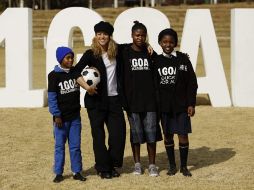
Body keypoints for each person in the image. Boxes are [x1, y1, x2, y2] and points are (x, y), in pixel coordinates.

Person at [74, 21, 126, 179]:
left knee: (118, 135)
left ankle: (111, 164)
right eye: (99, 34)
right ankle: (103, 168)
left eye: (105, 34)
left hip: (115, 101)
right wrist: (87, 87)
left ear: (110, 36)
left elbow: (136, 46)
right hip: (95, 101)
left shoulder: (118, 51)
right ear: (95, 36)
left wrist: (149, 45)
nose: (102, 37)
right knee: (99, 136)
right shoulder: (91, 54)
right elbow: (75, 71)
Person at [153, 28, 198, 177]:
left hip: (182, 106)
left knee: (183, 135)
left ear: (175, 43)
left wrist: (191, 103)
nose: (168, 44)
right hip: (165, 107)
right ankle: (172, 166)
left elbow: (192, 83)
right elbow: (154, 85)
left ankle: (184, 167)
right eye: (165, 42)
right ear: (160, 43)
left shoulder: (183, 59)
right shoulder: (156, 61)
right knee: (168, 136)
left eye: (171, 42)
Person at [121, 21, 161, 177]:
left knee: (151, 133)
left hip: (150, 101)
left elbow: (162, 63)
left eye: (143, 35)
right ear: (132, 36)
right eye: (137, 35)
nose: (140, 38)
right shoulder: (125, 52)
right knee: (135, 134)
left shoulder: (150, 53)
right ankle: (137, 164)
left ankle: (152, 165)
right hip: (132, 102)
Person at [48, 46, 86, 183]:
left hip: (75, 117)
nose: (71, 60)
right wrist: (57, 115)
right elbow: (52, 98)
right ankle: (58, 172)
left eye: (72, 57)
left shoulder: (75, 72)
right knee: (59, 147)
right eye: (67, 58)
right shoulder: (53, 76)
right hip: (60, 119)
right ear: (60, 59)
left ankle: (77, 171)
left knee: (75, 147)